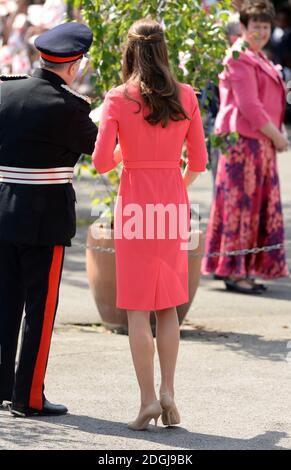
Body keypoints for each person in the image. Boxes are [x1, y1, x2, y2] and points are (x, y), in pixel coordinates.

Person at [92, 19, 208, 430]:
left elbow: (101, 163)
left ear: (129, 52)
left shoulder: (118, 98)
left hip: (135, 206)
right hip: (171, 205)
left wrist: (127, 152)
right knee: (168, 306)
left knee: (138, 310)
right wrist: (174, 181)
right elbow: (199, 162)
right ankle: (169, 391)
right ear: (163, 50)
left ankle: (146, 401)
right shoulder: (186, 95)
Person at [0, 21, 97, 417]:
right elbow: (100, 150)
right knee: (39, 313)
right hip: (45, 220)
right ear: (74, 66)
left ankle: (3, 387)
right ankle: (29, 396)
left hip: (3, 210)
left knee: (4, 304)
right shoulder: (70, 108)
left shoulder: (4, 90)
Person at [201, 0, 289, 293]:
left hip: (257, 141)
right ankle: (234, 271)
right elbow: (249, 106)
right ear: (243, 27)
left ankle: (241, 269)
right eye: (256, 26)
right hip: (242, 142)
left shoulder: (257, 56)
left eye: (266, 26)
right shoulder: (239, 55)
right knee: (240, 208)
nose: (261, 32)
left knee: (251, 208)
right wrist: (277, 135)